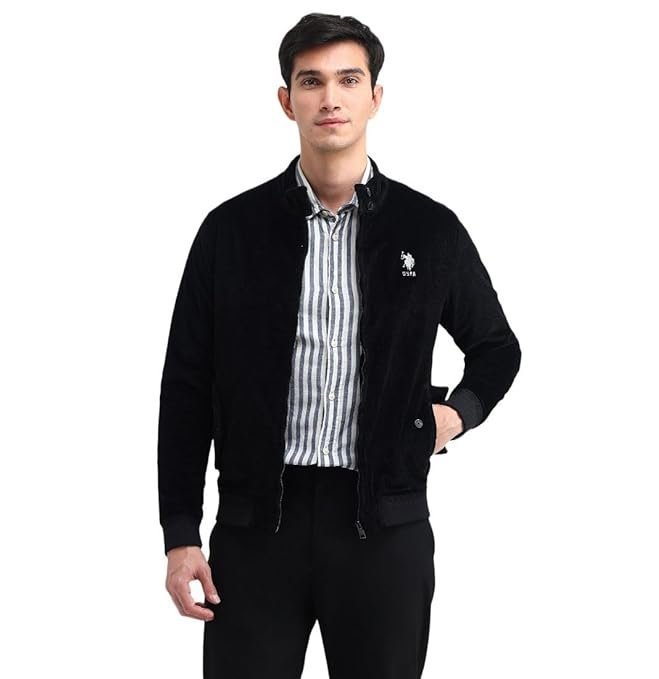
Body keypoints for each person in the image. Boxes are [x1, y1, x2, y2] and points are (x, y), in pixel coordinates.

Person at [157, 12, 521, 679]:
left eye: (348, 80)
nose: (330, 97)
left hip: (384, 531)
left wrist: (452, 416)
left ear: (375, 97)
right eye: (311, 81)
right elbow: (186, 385)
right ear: (285, 99)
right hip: (255, 532)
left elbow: (496, 348)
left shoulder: (428, 229)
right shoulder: (230, 232)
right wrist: (180, 533)